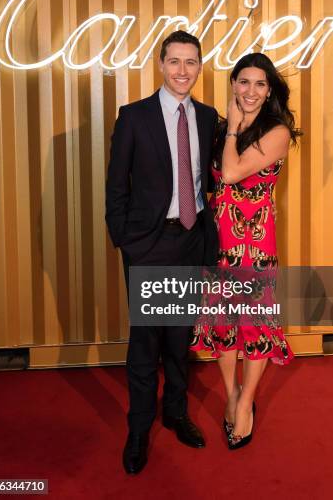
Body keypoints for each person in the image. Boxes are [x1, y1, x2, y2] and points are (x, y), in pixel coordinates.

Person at [106, 31, 218, 474]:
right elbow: (117, 187)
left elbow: (209, 178)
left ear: (199, 66)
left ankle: (175, 413)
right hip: (149, 245)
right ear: (160, 63)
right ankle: (138, 429)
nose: (182, 71)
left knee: (179, 336)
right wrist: (126, 239)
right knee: (145, 342)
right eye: (174, 61)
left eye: (191, 62)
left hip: (191, 240)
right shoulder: (134, 117)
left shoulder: (207, 118)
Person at [190, 52, 301, 450]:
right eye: (243, 82)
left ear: (269, 90)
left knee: (252, 324)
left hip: (255, 241)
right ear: (233, 84)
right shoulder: (221, 129)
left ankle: (246, 402)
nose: (250, 91)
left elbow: (234, 173)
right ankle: (232, 393)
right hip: (219, 239)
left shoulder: (277, 131)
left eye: (259, 84)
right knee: (223, 322)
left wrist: (234, 130)